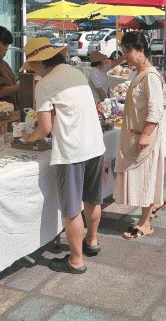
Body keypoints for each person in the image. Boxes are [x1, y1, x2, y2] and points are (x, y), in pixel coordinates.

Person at [20, 37, 106, 274]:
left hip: (72, 150)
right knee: (92, 199)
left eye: (32, 66)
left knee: (71, 209)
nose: (33, 71)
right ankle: (92, 241)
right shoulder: (76, 72)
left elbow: (45, 128)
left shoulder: (45, 83)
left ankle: (76, 260)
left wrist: (28, 137)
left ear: (38, 63)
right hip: (95, 144)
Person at [113, 31, 166, 239]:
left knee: (146, 179)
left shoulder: (150, 76)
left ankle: (145, 223)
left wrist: (145, 134)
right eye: (124, 51)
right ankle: (147, 214)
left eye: (128, 51)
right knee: (142, 178)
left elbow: (156, 110)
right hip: (134, 135)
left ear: (141, 50)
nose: (125, 56)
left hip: (143, 138)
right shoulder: (140, 73)